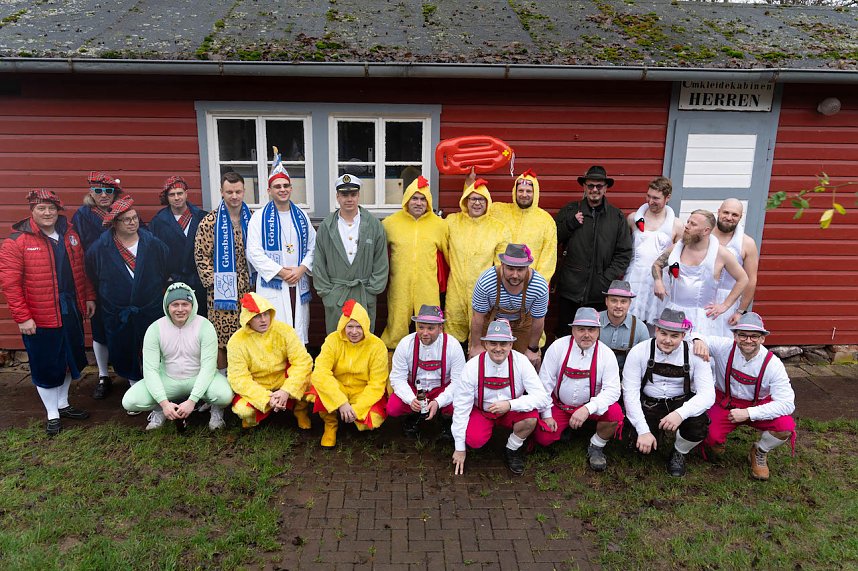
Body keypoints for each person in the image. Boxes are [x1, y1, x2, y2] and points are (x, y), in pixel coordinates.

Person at [0, 190, 95, 435]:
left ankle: (63, 403)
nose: (47, 213)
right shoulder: (17, 241)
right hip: (40, 313)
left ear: (58, 210)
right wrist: (23, 317)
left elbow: (81, 271)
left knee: (68, 359)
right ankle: (52, 412)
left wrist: (88, 298)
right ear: (32, 210)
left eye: (51, 208)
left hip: (69, 308)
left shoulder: (69, 234)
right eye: (41, 208)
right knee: (46, 363)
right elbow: (10, 284)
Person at [691, 312, 796, 481]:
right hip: (725, 402)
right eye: (743, 335)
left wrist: (750, 413)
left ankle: (759, 451)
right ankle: (716, 442)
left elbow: (787, 404)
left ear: (763, 339)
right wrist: (698, 341)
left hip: (758, 405)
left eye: (754, 336)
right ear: (735, 336)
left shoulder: (773, 364)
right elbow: (694, 334)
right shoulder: (723, 346)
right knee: (707, 433)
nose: (748, 340)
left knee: (785, 426)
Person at [85, 195, 169, 392]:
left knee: (153, 347)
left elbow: (164, 269)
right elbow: (93, 273)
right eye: (127, 219)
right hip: (118, 310)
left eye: (135, 218)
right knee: (123, 348)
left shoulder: (153, 244)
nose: (133, 223)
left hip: (149, 307)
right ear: (115, 223)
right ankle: (134, 386)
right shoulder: (100, 249)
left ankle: (157, 385)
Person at [122, 282, 233, 431]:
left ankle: (216, 411)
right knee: (130, 401)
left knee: (224, 395)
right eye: (175, 304)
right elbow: (150, 370)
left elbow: (208, 367)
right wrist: (163, 403)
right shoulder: (155, 328)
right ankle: (160, 411)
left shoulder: (205, 326)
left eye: (185, 304)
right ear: (167, 306)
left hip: (199, 377)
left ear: (192, 305)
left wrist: (192, 401)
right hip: (168, 379)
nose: (180, 309)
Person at [622, 308, 715, 477]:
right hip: (649, 403)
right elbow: (630, 394)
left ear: (683, 335)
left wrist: (680, 414)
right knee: (636, 447)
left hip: (681, 402)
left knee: (698, 428)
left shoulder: (695, 354)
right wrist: (643, 430)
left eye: (674, 336)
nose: (667, 340)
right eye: (663, 334)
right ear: (656, 330)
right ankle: (653, 432)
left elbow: (708, 395)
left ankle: (679, 451)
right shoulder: (639, 351)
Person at [451, 319, 550, 476]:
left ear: (511, 344)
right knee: (474, 441)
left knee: (531, 419)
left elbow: (542, 397)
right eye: (493, 343)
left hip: (510, 410)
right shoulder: (472, 366)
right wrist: (459, 448)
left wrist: (510, 405)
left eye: (503, 344)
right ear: (485, 344)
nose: (498, 348)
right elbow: (461, 406)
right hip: (482, 411)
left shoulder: (522, 362)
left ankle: (512, 449)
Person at [535, 308, 623, 471]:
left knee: (615, 414)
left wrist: (587, 409)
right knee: (543, 438)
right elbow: (544, 384)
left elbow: (613, 391)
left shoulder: (606, 354)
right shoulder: (558, 347)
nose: (586, 334)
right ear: (573, 330)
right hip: (560, 405)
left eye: (591, 329)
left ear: (598, 331)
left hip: (590, 407)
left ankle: (596, 445)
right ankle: (566, 428)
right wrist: (546, 415)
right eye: (581, 329)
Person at [245, 151, 316, 343]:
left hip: (298, 282)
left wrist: (302, 269)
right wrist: (281, 272)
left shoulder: (301, 216)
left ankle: (298, 369)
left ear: (291, 188)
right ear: (269, 190)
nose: (282, 189)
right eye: (277, 186)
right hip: (274, 284)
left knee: (298, 331)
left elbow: (313, 246)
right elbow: (253, 252)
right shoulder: (259, 218)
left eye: (286, 185)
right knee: (273, 333)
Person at [554, 166, 632, 338]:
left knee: (592, 337)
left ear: (605, 188)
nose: (594, 190)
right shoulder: (570, 211)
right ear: (584, 187)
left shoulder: (616, 217)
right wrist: (570, 224)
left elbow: (624, 253)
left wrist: (606, 279)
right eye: (590, 186)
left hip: (599, 293)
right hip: (570, 290)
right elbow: (553, 238)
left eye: (599, 186)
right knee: (565, 335)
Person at [651, 209, 749, 337]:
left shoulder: (721, 253)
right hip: (674, 311)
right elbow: (657, 264)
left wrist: (725, 305)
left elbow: (743, 279)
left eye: (693, 224)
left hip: (702, 318)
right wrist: (658, 281)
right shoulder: (677, 248)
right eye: (688, 222)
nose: (687, 226)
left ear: (706, 231)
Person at [226, 292, 314, 429]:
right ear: (248, 319)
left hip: (282, 379)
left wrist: (286, 390)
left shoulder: (284, 330)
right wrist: (265, 398)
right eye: (257, 316)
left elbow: (303, 362)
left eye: (266, 314)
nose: (263, 320)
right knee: (244, 410)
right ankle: (253, 418)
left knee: (311, 381)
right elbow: (238, 378)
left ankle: (300, 411)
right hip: (258, 383)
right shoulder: (236, 342)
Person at [313, 175, 388, 334]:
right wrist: (328, 294)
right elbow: (319, 263)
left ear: (358, 196)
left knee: (363, 340)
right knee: (337, 341)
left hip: (363, 294)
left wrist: (371, 291)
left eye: (353, 194)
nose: (349, 199)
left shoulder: (373, 225)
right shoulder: (327, 226)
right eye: (344, 195)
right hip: (337, 295)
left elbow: (381, 262)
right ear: (337, 197)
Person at [309, 299, 389, 448]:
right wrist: (341, 402)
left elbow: (377, 383)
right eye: (350, 326)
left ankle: (351, 417)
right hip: (338, 387)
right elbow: (321, 372)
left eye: (359, 327)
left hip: (362, 390)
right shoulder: (332, 340)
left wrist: (357, 409)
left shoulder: (377, 346)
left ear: (366, 326)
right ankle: (330, 424)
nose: (354, 332)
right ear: (343, 326)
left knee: (373, 420)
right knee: (318, 390)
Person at [71, 171, 123, 399]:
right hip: (97, 281)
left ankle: (131, 372)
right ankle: (103, 375)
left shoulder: (124, 212)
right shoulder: (82, 215)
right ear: (91, 192)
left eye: (108, 191)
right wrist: (88, 292)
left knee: (125, 327)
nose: (104, 195)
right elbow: (78, 252)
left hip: (123, 279)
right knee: (100, 330)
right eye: (99, 190)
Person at [194, 171, 253, 371]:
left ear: (244, 191)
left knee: (247, 334)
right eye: (229, 192)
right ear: (221, 192)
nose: (234, 196)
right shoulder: (210, 222)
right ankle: (222, 380)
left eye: (238, 191)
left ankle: (244, 378)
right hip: (222, 292)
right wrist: (216, 284)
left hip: (249, 288)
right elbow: (201, 255)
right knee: (222, 338)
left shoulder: (252, 219)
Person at [380, 176, 448, 349]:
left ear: (429, 202)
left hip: (428, 285)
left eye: (423, 199)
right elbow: (377, 253)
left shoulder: (440, 225)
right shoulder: (390, 223)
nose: (418, 203)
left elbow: (449, 257)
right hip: (399, 284)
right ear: (407, 200)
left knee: (430, 323)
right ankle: (393, 356)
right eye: (414, 198)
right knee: (397, 322)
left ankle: (432, 357)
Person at [444, 178, 511, 344]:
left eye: (481, 199)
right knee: (453, 333)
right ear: (465, 200)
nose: (477, 203)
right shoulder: (452, 222)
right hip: (456, 288)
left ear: (487, 202)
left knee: (480, 333)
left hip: (483, 290)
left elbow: (500, 266)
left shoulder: (498, 228)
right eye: (473, 199)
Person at [387, 305, 465, 440]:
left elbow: (458, 381)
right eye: (421, 327)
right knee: (394, 407)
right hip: (416, 390)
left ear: (440, 328)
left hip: (441, 389)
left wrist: (439, 402)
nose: (424, 332)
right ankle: (413, 417)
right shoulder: (406, 344)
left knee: (458, 402)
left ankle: (446, 420)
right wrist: (411, 399)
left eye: (430, 328)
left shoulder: (452, 345)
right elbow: (397, 378)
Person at [468, 243, 549, 368]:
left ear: (527, 267)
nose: (515, 275)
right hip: (490, 322)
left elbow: (538, 320)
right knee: (479, 363)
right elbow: (477, 316)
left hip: (522, 324)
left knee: (525, 365)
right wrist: (476, 346)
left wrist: (532, 349)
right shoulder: (486, 281)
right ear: (503, 265)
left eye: (520, 270)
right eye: (511, 269)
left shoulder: (539, 285)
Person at [489, 169, 557, 300]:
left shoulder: (546, 220)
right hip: (500, 283)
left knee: (529, 321)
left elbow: (548, 257)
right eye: (520, 190)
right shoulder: (498, 211)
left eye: (528, 191)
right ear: (515, 191)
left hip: (531, 286)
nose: (524, 194)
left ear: (535, 193)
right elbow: (476, 206)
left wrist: (535, 285)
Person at [624, 177, 683, 325]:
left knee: (656, 322)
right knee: (631, 320)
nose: (650, 201)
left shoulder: (676, 225)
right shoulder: (633, 219)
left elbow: (678, 258)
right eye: (648, 196)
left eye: (656, 198)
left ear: (667, 197)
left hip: (659, 280)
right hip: (635, 276)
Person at [148, 176, 208, 317]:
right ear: (167, 197)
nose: (176, 198)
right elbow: (154, 255)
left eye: (180, 193)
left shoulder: (202, 217)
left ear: (186, 194)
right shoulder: (158, 221)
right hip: (173, 282)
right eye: (172, 194)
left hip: (199, 281)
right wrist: (166, 278)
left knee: (200, 319)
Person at [710, 199, 760, 337]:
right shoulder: (704, 235)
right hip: (701, 296)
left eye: (735, 215)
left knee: (724, 344)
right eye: (726, 212)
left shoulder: (747, 243)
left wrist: (740, 311)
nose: (729, 217)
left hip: (729, 301)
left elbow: (751, 280)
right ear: (719, 212)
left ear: (740, 217)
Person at [598, 280, 650, 373]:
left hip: (626, 376)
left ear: (629, 303)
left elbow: (644, 361)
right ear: (606, 301)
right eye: (614, 301)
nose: (618, 306)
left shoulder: (640, 328)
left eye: (623, 301)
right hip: (595, 373)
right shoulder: (594, 321)